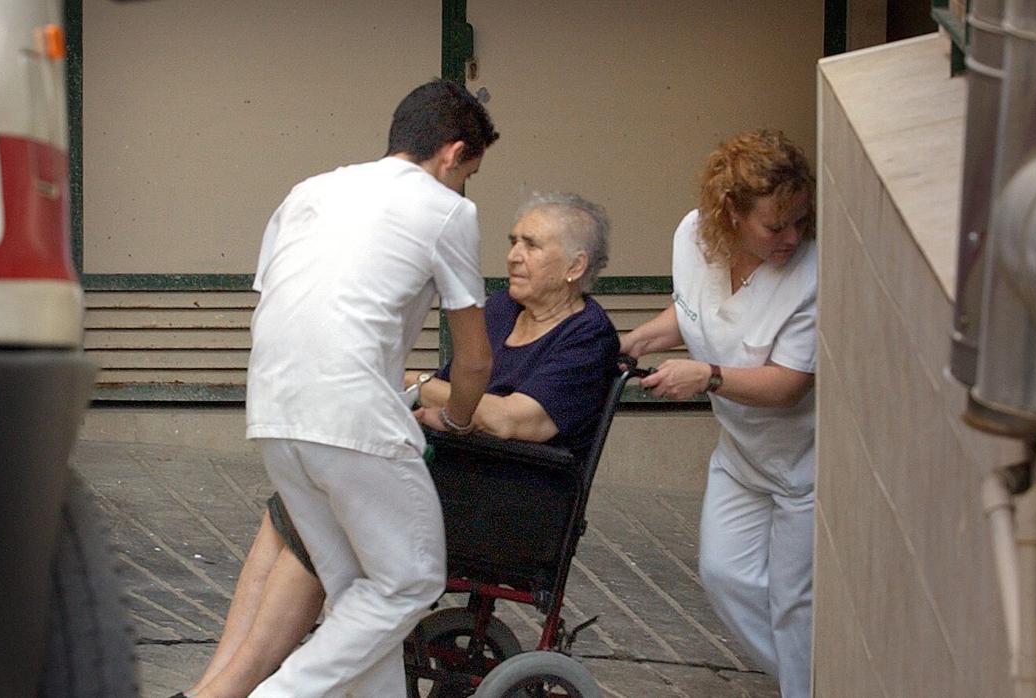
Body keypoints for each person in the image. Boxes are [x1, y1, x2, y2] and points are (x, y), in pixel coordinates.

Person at [177, 192, 618, 698]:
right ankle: (212, 683)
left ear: (575, 266)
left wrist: (417, 380)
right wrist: (433, 407)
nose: (514, 254)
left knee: (323, 519)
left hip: (509, 500)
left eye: (532, 245)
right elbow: (458, 404)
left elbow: (515, 421)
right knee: (290, 510)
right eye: (513, 241)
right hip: (454, 471)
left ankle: (223, 692)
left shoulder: (588, 336)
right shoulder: (499, 312)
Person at [232, 79, 499, 698]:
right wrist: (457, 422)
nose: (463, 187)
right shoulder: (448, 210)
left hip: (273, 408)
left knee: (356, 594)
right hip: (352, 412)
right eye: (468, 173)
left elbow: (279, 304)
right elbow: (476, 361)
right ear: (453, 154)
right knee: (411, 581)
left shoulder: (308, 192)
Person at [619, 129, 816, 698]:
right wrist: (638, 339)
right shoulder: (693, 236)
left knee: (792, 603)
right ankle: (814, 680)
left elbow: (790, 386)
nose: (791, 237)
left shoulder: (809, 275)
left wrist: (707, 376)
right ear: (731, 213)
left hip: (805, 465)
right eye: (775, 226)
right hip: (740, 456)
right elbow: (693, 311)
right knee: (726, 576)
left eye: (800, 221)